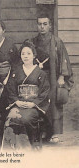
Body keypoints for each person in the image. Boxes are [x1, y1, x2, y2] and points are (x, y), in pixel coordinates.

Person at [31, 14, 73, 142]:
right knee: (39, 101)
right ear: (37, 26)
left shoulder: (56, 42)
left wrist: (61, 76)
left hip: (53, 76)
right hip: (38, 76)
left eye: (45, 24)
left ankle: (54, 133)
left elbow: (63, 60)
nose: (42, 27)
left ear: (50, 25)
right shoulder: (32, 42)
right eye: (40, 24)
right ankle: (42, 130)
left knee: (53, 103)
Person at [2, 41, 50, 149]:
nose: (26, 56)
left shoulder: (41, 73)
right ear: (20, 56)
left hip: (33, 106)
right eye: (23, 53)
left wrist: (33, 104)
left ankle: (29, 148)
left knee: (25, 118)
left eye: (28, 53)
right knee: (11, 118)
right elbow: (10, 90)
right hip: (18, 104)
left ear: (34, 55)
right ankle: (12, 150)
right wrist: (16, 101)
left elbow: (44, 92)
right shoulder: (15, 72)